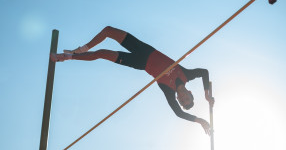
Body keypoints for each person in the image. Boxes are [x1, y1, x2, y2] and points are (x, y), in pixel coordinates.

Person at [51, 26, 214, 135]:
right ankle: (80, 50)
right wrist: (207, 94)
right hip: (144, 49)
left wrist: (200, 121)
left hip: (140, 63)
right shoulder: (186, 74)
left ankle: (68, 57)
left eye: (182, 100)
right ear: (191, 92)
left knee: (101, 53)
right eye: (187, 97)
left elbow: (178, 113)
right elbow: (204, 72)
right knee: (108, 30)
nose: (183, 96)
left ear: (178, 99)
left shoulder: (168, 91)